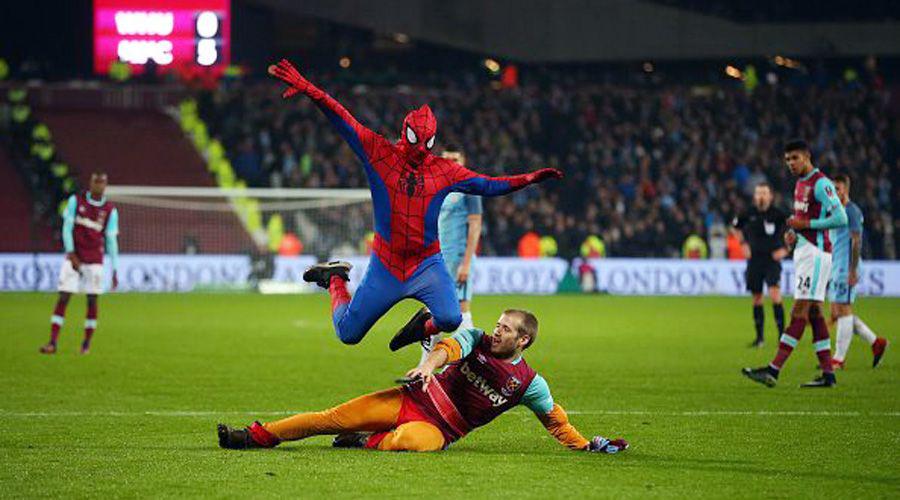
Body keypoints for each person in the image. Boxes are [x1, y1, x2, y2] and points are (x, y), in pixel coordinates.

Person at [267, 59, 562, 348]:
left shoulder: (444, 169)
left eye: (426, 143)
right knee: (348, 334)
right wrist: (310, 89)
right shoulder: (379, 153)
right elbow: (343, 119)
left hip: (426, 263)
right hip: (387, 263)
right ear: (404, 131)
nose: (421, 149)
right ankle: (334, 279)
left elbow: (487, 185)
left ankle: (420, 326)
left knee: (450, 318)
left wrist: (529, 178)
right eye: (415, 140)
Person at [217, 309, 628, 454]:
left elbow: (556, 422)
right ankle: (252, 437)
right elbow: (449, 347)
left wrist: (585, 443)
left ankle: (366, 440)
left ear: (524, 340)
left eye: (507, 329)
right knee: (333, 418)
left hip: (439, 429)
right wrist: (429, 365)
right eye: (498, 324)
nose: (497, 331)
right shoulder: (476, 339)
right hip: (413, 397)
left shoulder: (530, 383)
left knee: (414, 444)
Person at [742, 140, 847, 388]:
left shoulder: (821, 183)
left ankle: (773, 370)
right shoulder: (800, 184)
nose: (790, 164)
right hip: (805, 250)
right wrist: (794, 235)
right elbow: (803, 221)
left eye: (795, 158)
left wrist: (806, 227)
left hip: (817, 255)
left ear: (807, 157)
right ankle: (828, 374)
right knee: (814, 313)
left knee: (798, 311)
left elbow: (840, 217)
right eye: (787, 159)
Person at [39, 172, 119, 355]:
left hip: (95, 261)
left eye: (102, 182)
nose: (98, 185)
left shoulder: (110, 210)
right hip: (75, 257)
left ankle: (86, 345)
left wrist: (114, 268)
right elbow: (66, 228)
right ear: (90, 183)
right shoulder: (76, 201)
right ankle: (52, 342)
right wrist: (70, 253)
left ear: (105, 185)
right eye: (95, 181)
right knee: (64, 296)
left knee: (92, 300)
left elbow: (111, 241)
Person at [419, 147, 483, 365]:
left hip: (458, 259)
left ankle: (473, 362)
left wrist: (466, 263)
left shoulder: (470, 187)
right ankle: (424, 367)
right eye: (446, 159)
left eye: (455, 158)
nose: (451, 162)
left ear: (463, 160)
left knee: (462, 308)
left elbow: (475, 225)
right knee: (430, 311)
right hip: (437, 258)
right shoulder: (438, 188)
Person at [828, 174, 888, 369]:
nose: (834, 193)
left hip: (847, 267)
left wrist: (852, 270)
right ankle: (876, 343)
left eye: (837, 189)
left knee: (843, 310)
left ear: (845, 189)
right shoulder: (834, 212)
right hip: (837, 266)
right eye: (832, 189)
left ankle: (838, 359)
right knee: (838, 312)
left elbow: (856, 241)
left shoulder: (851, 211)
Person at [731, 182, 788, 348]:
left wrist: (785, 250)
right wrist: (743, 244)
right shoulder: (748, 213)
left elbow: (794, 232)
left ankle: (782, 338)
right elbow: (735, 227)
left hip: (772, 260)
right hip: (754, 260)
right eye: (758, 193)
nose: (761, 197)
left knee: (775, 294)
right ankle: (760, 338)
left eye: (764, 193)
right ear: (755, 197)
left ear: (770, 196)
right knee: (757, 298)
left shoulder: (779, 214)